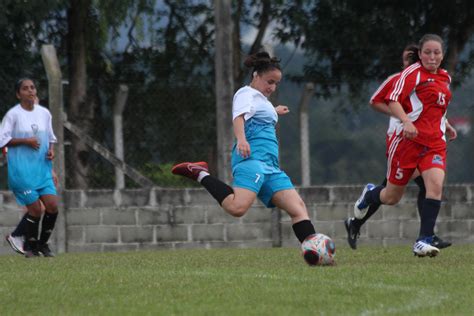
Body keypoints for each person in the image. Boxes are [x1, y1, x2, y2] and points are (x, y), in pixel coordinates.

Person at [171, 52, 323, 264]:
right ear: (256, 76)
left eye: (276, 84)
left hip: (271, 167)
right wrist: (241, 139)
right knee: (237, 208)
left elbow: (260, 113)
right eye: (270, 82)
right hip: (252, 161)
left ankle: (315, 256)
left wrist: (275, 110)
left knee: (298, 208)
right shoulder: (245, 93)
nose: (272, 87)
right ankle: (200, 173)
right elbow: (239, 116)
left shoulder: (262, 100)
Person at [344, 44, 456, 250]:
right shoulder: (399, 78)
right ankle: (365, 204)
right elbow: (376, 101)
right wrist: (404, 120)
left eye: (411, 58)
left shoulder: (436, 78)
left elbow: (435, 107)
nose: (410, 62)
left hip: (428, 141)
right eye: (407, 59)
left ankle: (426, 237)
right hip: (401, 140)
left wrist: (445, 124)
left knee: (431, 186)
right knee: (392, 195)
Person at [0, 78, 59, 257]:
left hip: (42, 170)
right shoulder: (13, 115)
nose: (30, 91)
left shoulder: (44, 113)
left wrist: (51, 153)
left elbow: (51, 138)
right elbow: (2, 140)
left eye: (32, 87)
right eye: (25, 89)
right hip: (22, 172)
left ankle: (42, 244)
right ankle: (30, 248)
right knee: (34, 210)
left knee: (52, 206)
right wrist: (25, 141)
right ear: (18, 94)